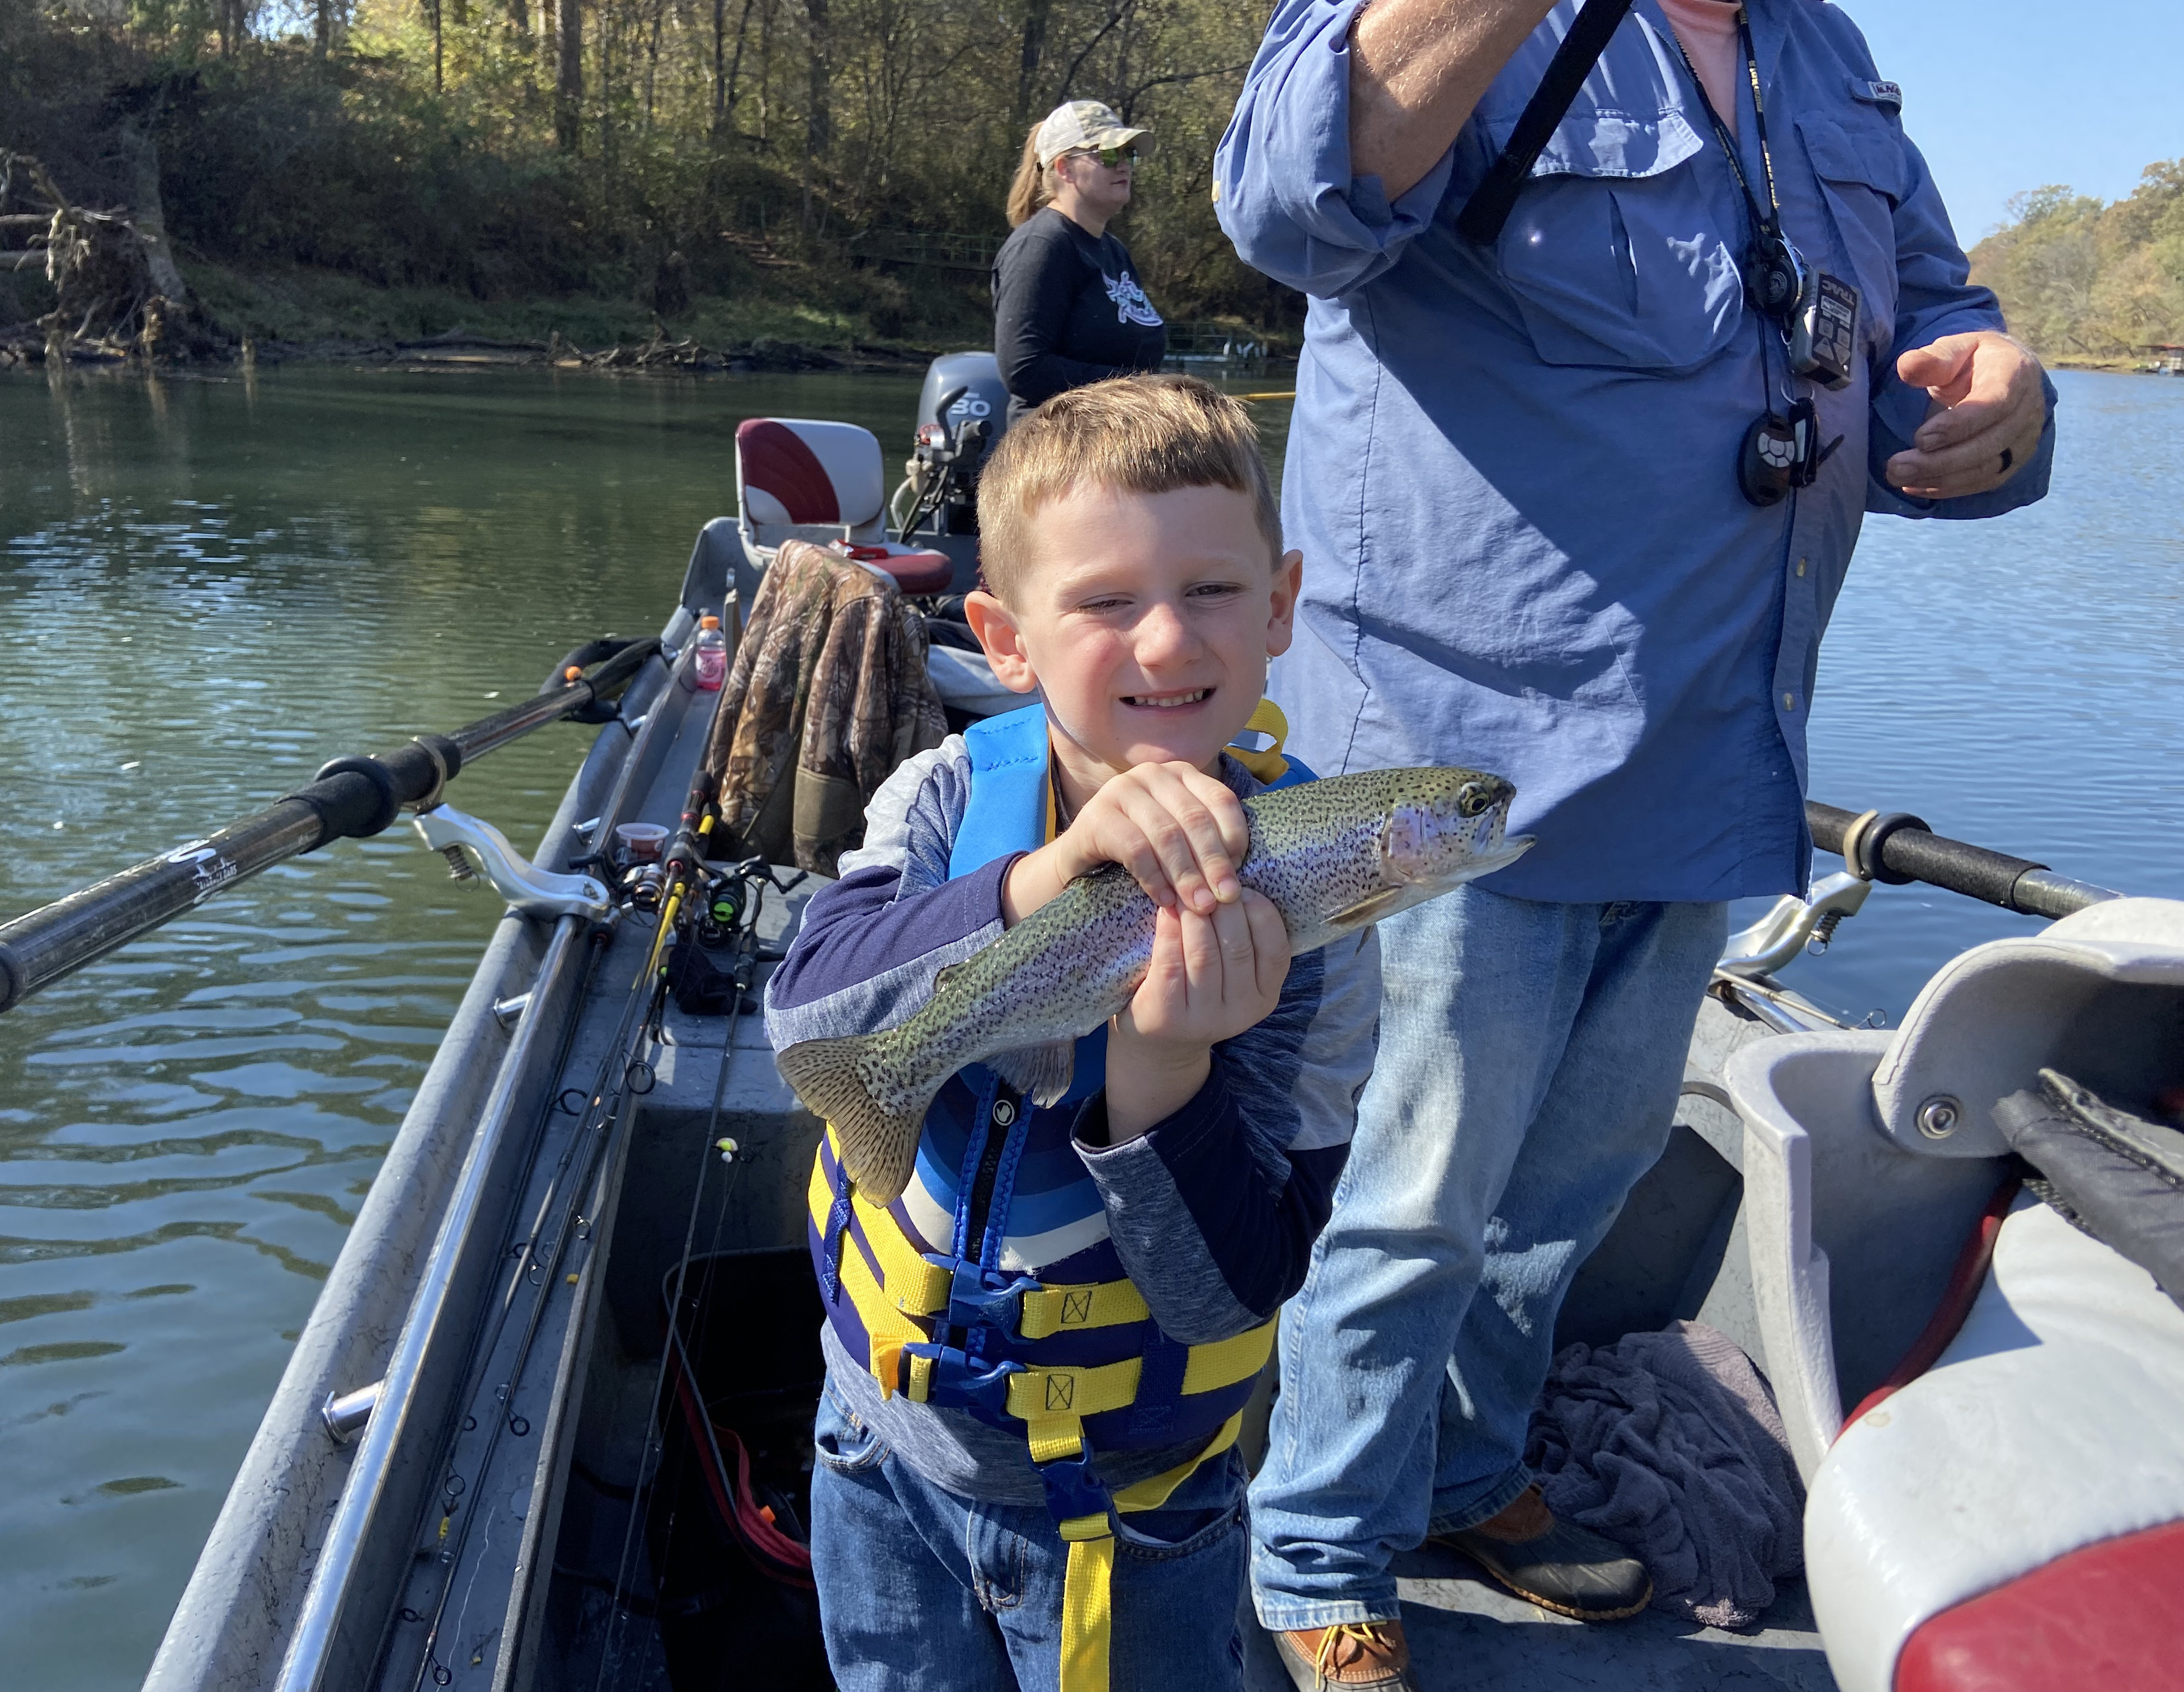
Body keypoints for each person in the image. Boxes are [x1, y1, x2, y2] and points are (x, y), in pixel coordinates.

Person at [1212, 1, 2057, 1686]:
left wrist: (2007, 392)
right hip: (1452, 785)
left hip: (1707, 766)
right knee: (1414, 1202)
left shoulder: (1828, 56)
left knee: (1569, 1192)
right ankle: (1316, 1543)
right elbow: (1288, 207)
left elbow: (1931, 327)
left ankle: (1462, 1471)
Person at [764, 374, 1382, 1692]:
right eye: (1106, 602)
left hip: (1131, 1513)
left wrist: (1164, 1077)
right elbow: (804, 1016)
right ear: (1005, 635)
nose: (1166, 645)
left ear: (1279, 609)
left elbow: (1231, 1290)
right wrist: (1038, 883)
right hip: (874, 1444)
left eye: (1213, 592)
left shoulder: (1318, 899)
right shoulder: (942, 796)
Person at [994, 102, 1169, 425]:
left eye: (1128, 155)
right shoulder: (1043, 246)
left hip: (1116, 443)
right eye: (1109, 154)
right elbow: (1025, 369)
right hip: (1058, 453)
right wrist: (1139, 390)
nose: (1125, 166)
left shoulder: (1114, 252)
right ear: (1064, 168)